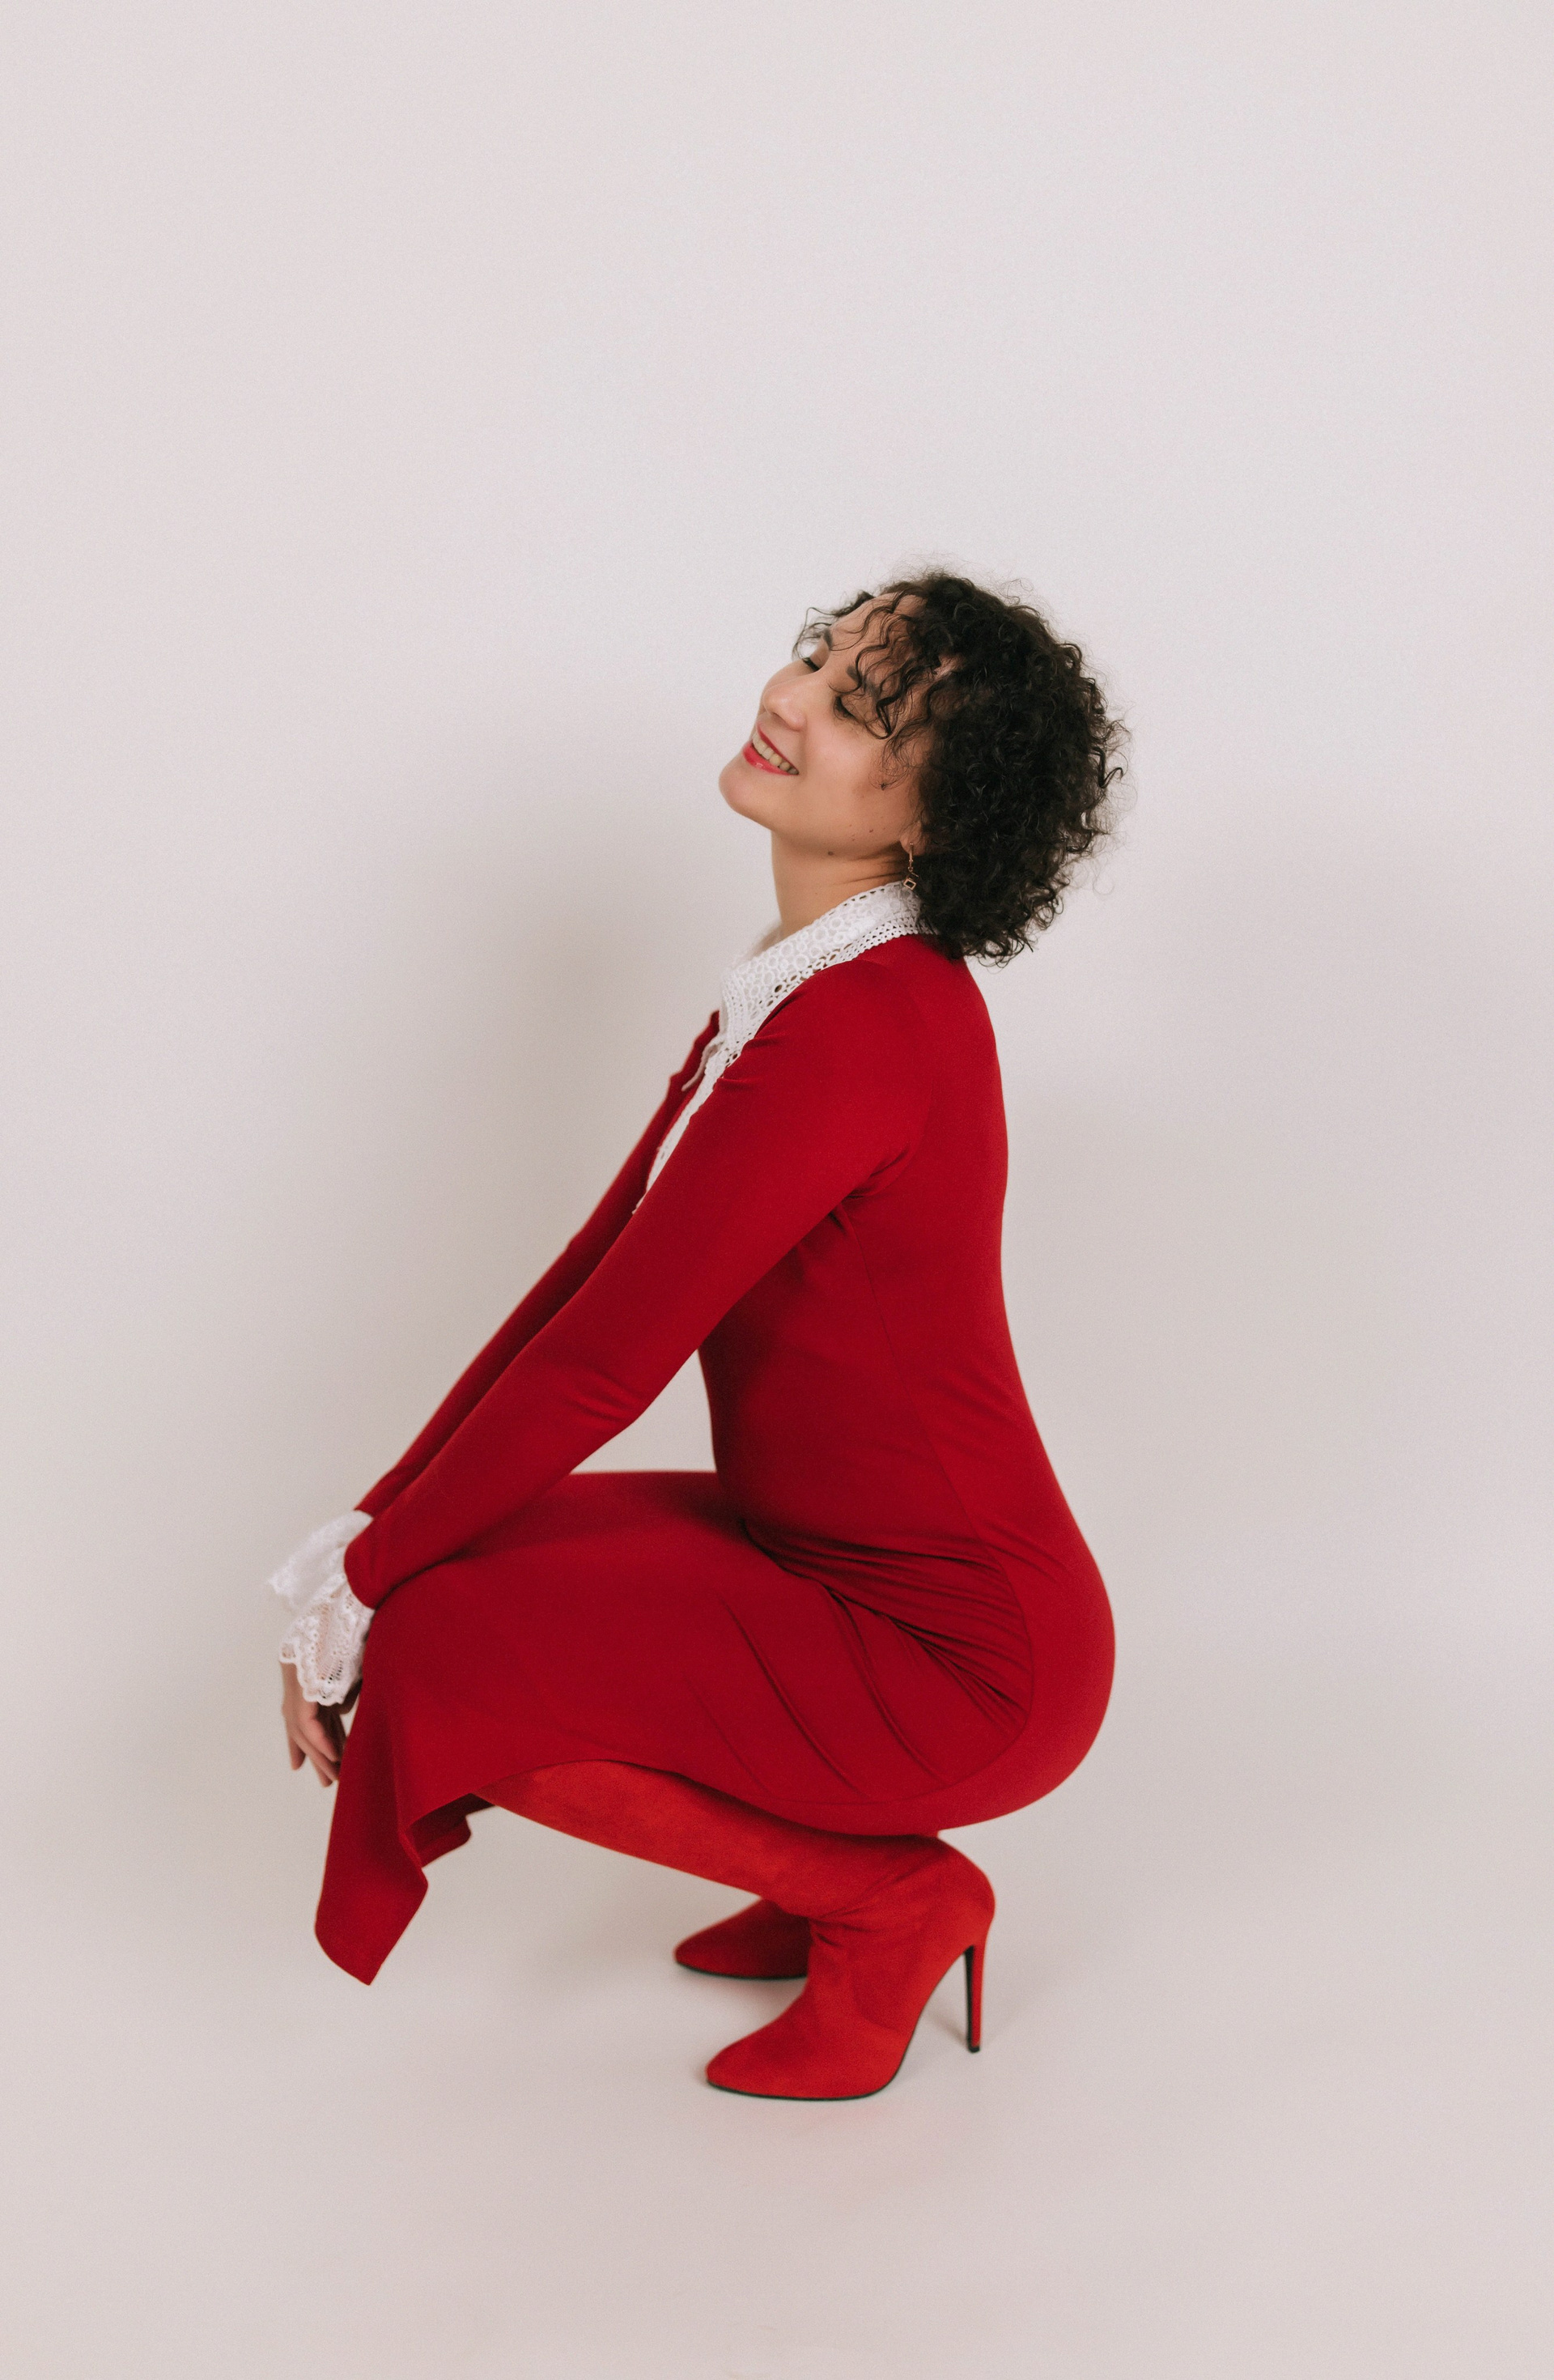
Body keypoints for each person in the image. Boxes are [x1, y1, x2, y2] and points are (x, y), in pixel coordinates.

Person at [270, 570, 1123, 2101]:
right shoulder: (811, 989)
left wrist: (368, 1589)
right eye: (816, 658)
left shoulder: (863, 1026)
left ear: (937, 818)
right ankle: (820, 1857)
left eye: (858, 709)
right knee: (436, 1580)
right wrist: (370, 1536)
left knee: (437, 1648)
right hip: (824, 1562)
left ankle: (882, 1896)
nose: (788, 701)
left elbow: (605, 1367)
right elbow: (585, 1285)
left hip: (956, 1661)